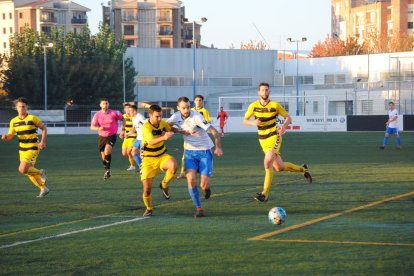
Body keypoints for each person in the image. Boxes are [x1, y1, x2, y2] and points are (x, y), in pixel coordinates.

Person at [243, 82, 312, 202]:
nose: (265, 92)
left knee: (267, 162)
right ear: (259, 92)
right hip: (262, 140)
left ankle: (264, 194)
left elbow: (288, 118)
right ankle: (303, 169)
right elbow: (245, 121)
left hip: (274, 136)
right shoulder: (253, 106)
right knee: (279, 167)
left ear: (269, 92)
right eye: (262, 90)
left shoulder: (275, 105)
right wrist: (253, 123)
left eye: (267, 90)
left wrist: (284, 126)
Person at [168, 97, 223, 218]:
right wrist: (179, 131)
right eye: (183, 108)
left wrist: (218, 147)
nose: (186, 109)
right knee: (191, 180)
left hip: (204, 152)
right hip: (189, 153)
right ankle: (199, 208)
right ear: (178, 108)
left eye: (188, 107)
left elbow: (214, 131)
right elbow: (166, 126)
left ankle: (207, 190)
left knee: (204, 185)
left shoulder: (197, 117)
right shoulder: (175, 117)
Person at [1, 97, 49, 197]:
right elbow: (11, 135)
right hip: (22, 149)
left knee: (22, 169)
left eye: (23, 106)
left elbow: (44, 128)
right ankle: (43, 188)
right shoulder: (13, 121)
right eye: (19, 107)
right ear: (16, 108)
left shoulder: (32, 118)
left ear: (27, 107)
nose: (21, 108)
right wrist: (6, 136)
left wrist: (42, 142)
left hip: (33, 148)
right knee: (28, 171)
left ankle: (40, 172)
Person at [140, 105, 177, 217]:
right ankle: (149, 208)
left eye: (160, 116)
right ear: (150, 115)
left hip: (162, 156)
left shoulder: (162, 123)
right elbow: (151, 141)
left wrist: (182, 131)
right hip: (148, 160)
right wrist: (164, 137)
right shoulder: (146, 127)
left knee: (173, 166)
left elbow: (169, 128)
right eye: (157, 116)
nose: (159, 119)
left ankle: (164, 184)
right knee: (147, 189)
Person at [176, 95, 212, 179]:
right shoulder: (190, 110)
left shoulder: (204, 111)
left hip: (200, 138)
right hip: (189, 138)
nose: (198, 102)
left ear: (202, 101)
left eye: (200, 100)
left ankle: (200, 172)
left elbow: (207, 122)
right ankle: (183, 172)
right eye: (196, 100)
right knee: (185, 155)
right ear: (194, 101)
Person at [90, 98, 124, 180]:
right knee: (103, 156)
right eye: (104, 103)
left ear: (108, 104)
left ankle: (108, 170)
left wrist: (123, 130)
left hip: (111, 135)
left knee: (107, 151)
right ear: (100, 105)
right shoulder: (97, 115)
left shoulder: (113, 113)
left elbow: (123, 119)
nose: (105, 105)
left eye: (107, 103)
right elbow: (92, 127)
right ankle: (107, 170)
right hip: (102, 137)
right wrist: (99, 128)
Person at [125, 104, 147, 172]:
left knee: (142, 155)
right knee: (133, 152)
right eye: (128, 111)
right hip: (138, 138)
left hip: (143, 138)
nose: (129, 112)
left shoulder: (140, 117)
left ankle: (145, 168)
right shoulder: (133, 118)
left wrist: (141, 125)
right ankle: (141, 167)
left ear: (135, 111)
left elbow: (146, 125)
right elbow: (134, 128)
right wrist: (128, 133)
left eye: (130, 111)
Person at [120, 103, 136, 171]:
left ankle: (133, 166)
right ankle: (135, 155)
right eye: (126, 108)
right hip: (126, 137)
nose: (127, 109)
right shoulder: (123, 116)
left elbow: (135, 127)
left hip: (133, 136)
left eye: (129, 108)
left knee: (129, 152)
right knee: (124, 153)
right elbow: (123, 125)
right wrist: (122, 132)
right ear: (124, 109)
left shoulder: (134, 117)